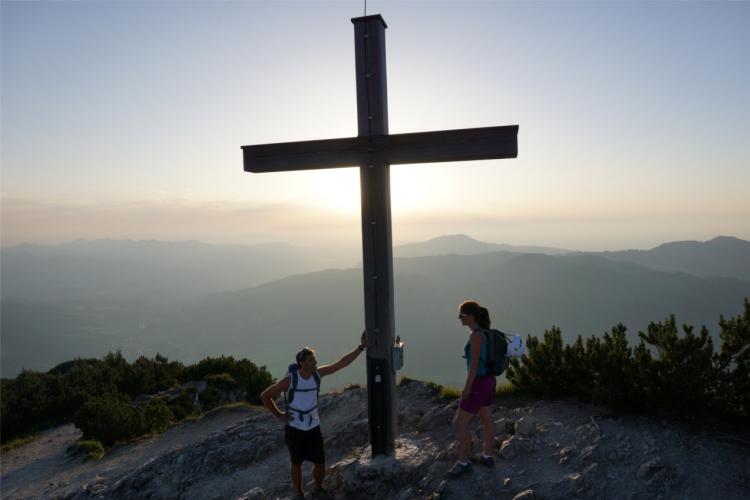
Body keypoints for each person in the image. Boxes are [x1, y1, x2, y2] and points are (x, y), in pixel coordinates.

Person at [260, 333, 366, 498]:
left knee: (320, 462)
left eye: (314, 359)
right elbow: (265, 396)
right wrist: (279, 415)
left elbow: (341, 364)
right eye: (311, 360)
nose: (315, 362)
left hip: (313, 427)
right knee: (296, 463)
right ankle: (299, 493)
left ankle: (318, 487)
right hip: (294, 429)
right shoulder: (290, 380)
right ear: (302, 363)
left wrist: (361, 348)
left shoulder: (318, 374)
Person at [448, 300, 497, 476]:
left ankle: (463, 463)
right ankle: (487, 456)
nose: (459, 318)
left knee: (460, 423)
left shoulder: (476, 336)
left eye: (462, 315)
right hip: (490, 381)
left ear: (471, 316)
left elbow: (474, 364)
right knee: (486, 417)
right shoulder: (485, 333)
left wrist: (467, 388)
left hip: (478, 383)